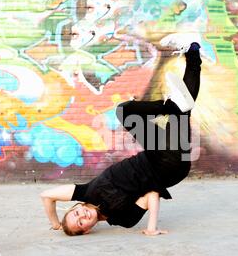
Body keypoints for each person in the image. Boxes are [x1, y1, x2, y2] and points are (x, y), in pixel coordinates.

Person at [41, 35, 202, 236]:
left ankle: (193, 51)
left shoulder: (86, 191)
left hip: (154, 154)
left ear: (73, 207)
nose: (82, 216)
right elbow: (152, 194)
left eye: (76, 215)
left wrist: (56, 223)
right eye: (81, 224)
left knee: (150, 110)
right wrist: (151, 228)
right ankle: (172, 102)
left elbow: (47, 196)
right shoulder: (122, 218)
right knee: (161, 110)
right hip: (167, 167)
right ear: (88, 230)